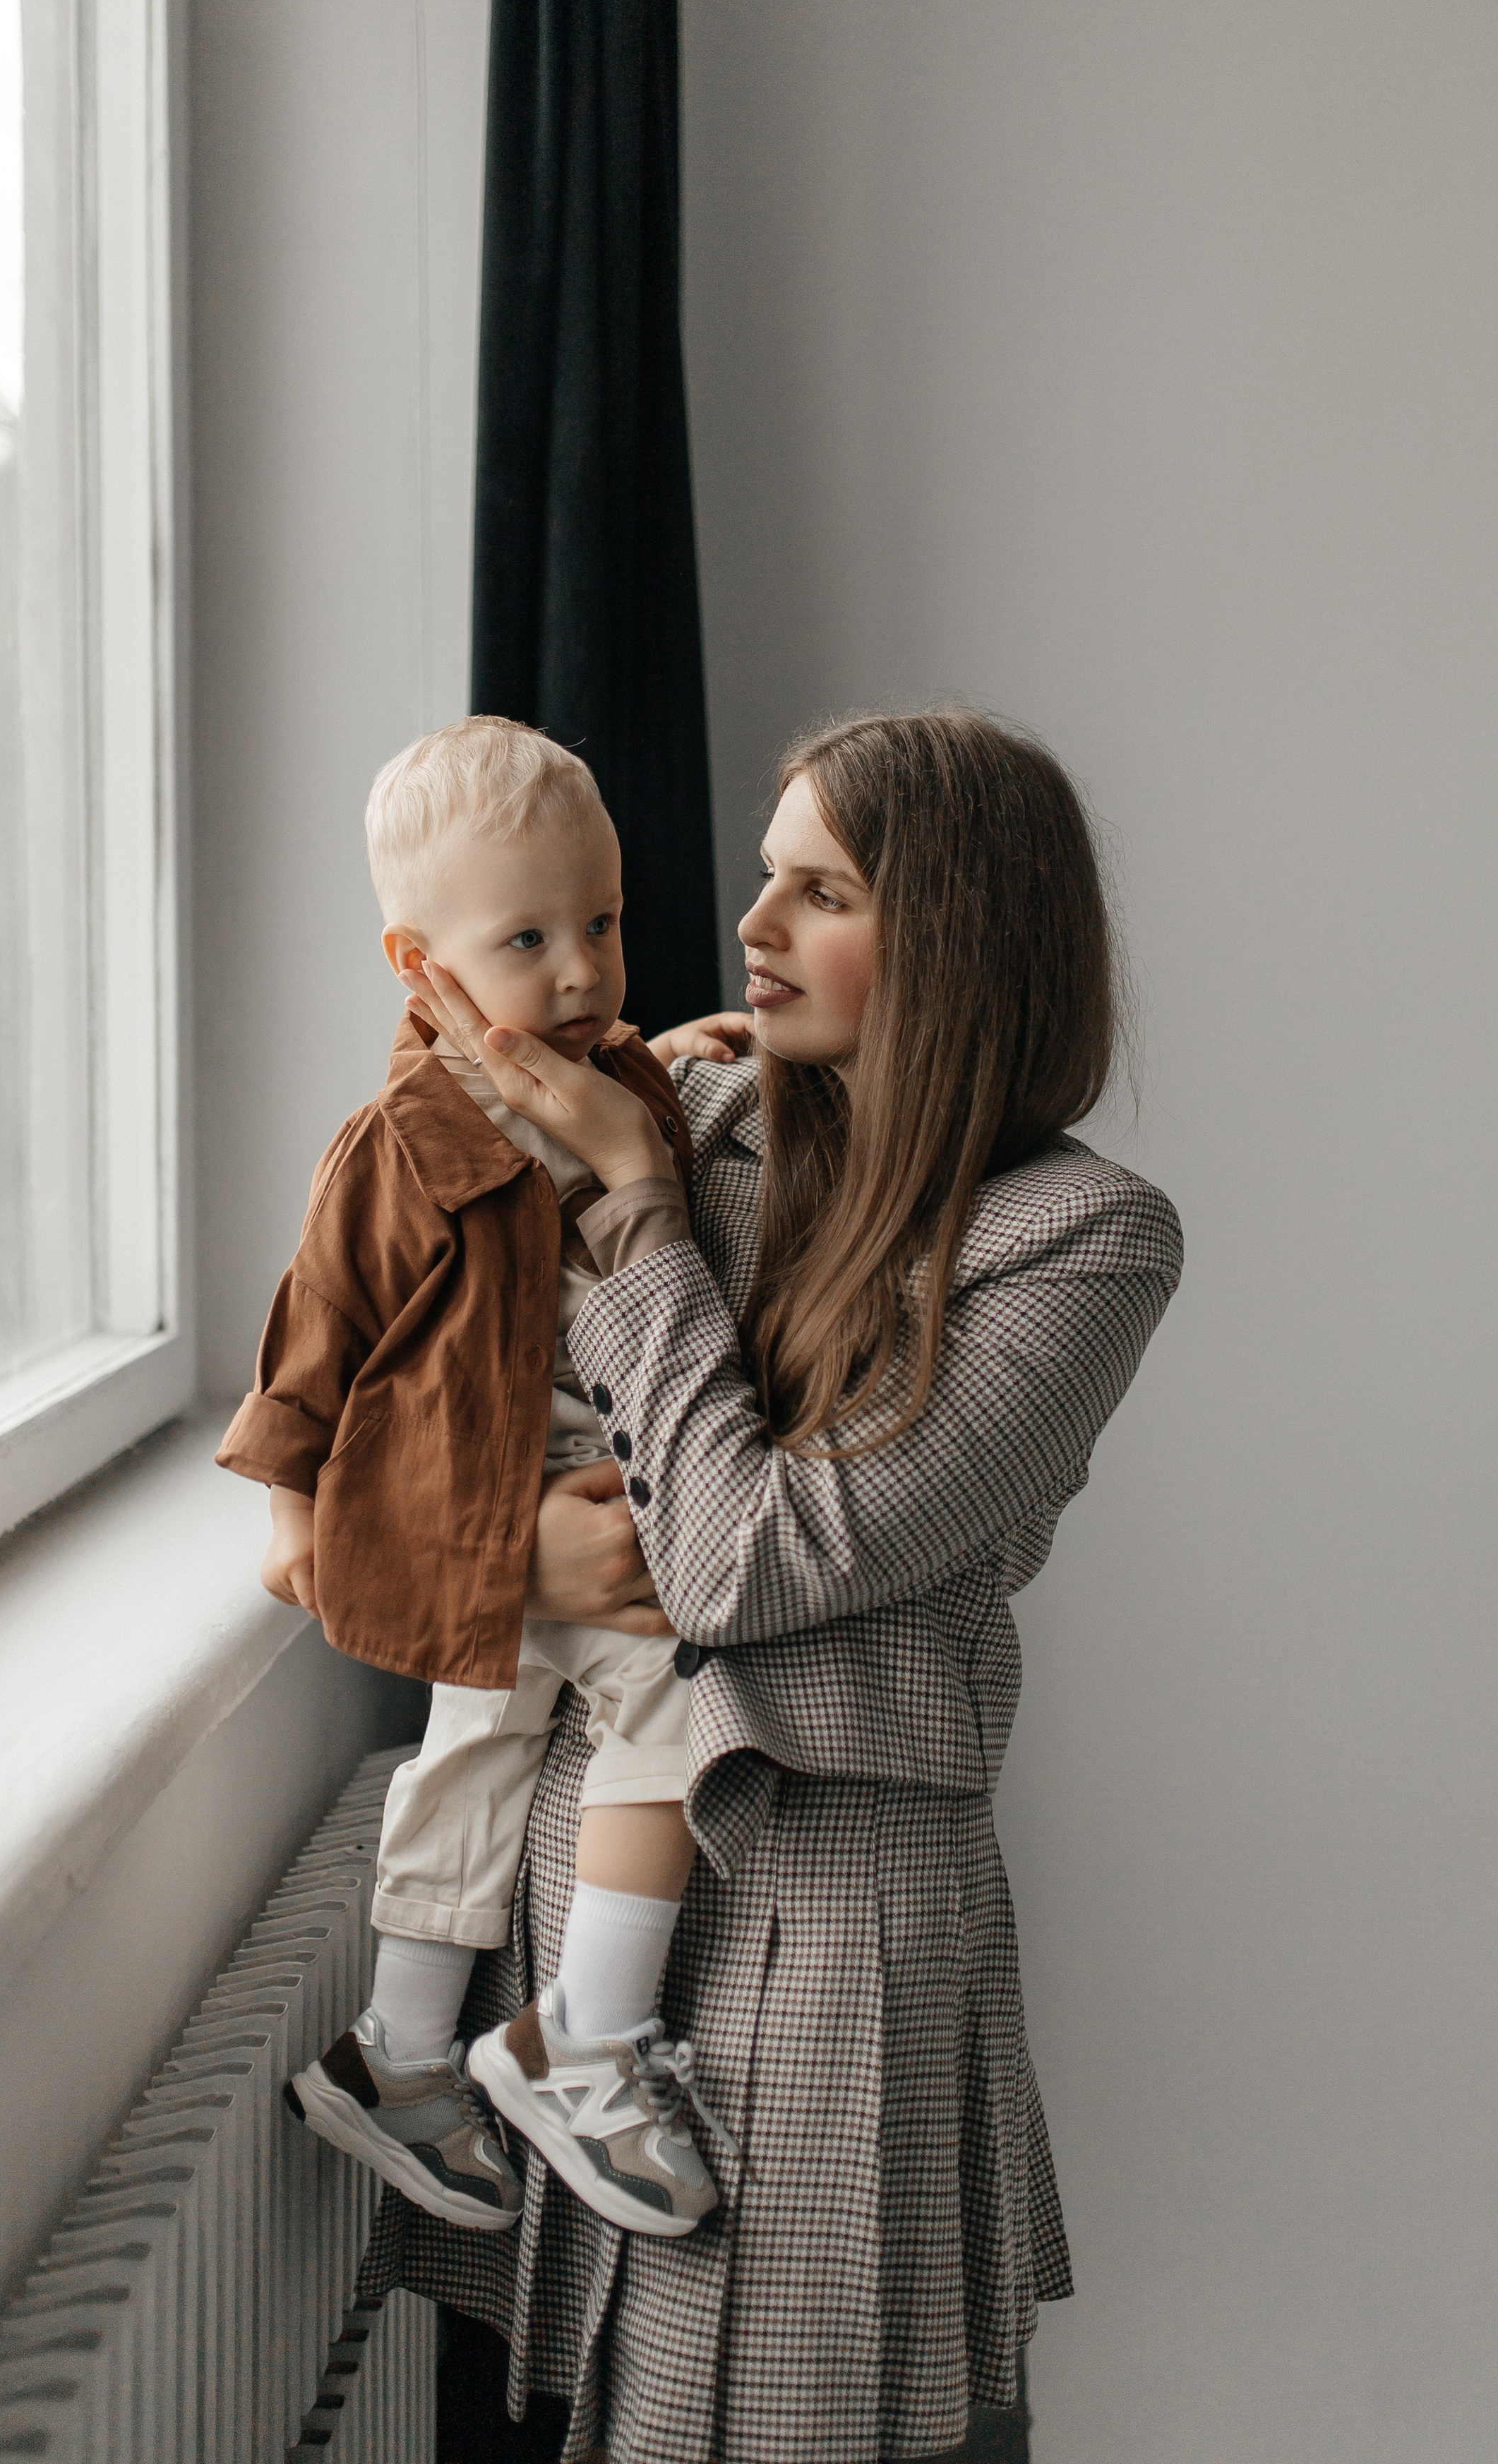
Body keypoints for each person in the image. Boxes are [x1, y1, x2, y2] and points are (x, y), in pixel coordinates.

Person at [369, 704, 1185, 2464]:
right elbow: (402, 1390)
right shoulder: (689, 1100)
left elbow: (746, 1561)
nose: (747, 926)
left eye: (821, 891)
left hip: (834, 1908)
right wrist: (499, 1549)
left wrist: (638, 1208)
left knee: (832, 2421)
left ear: (954, 940)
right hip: (577, 1879)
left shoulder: (1080, 1241)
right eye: (765, 877)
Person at [216, 718, 747, 2240]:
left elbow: (611, 1111)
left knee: (476, 1757)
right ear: (419, 962)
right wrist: (292, 1514)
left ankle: (397, 2056)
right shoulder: (399, 1144)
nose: (581, 971)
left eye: (603, 923)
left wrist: (679, 1049)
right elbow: (312, 1336)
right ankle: (587, 2034)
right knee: (667, 1703)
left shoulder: (613, 1073)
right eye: (528, 940)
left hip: (565, 1488)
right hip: (478, 1504)